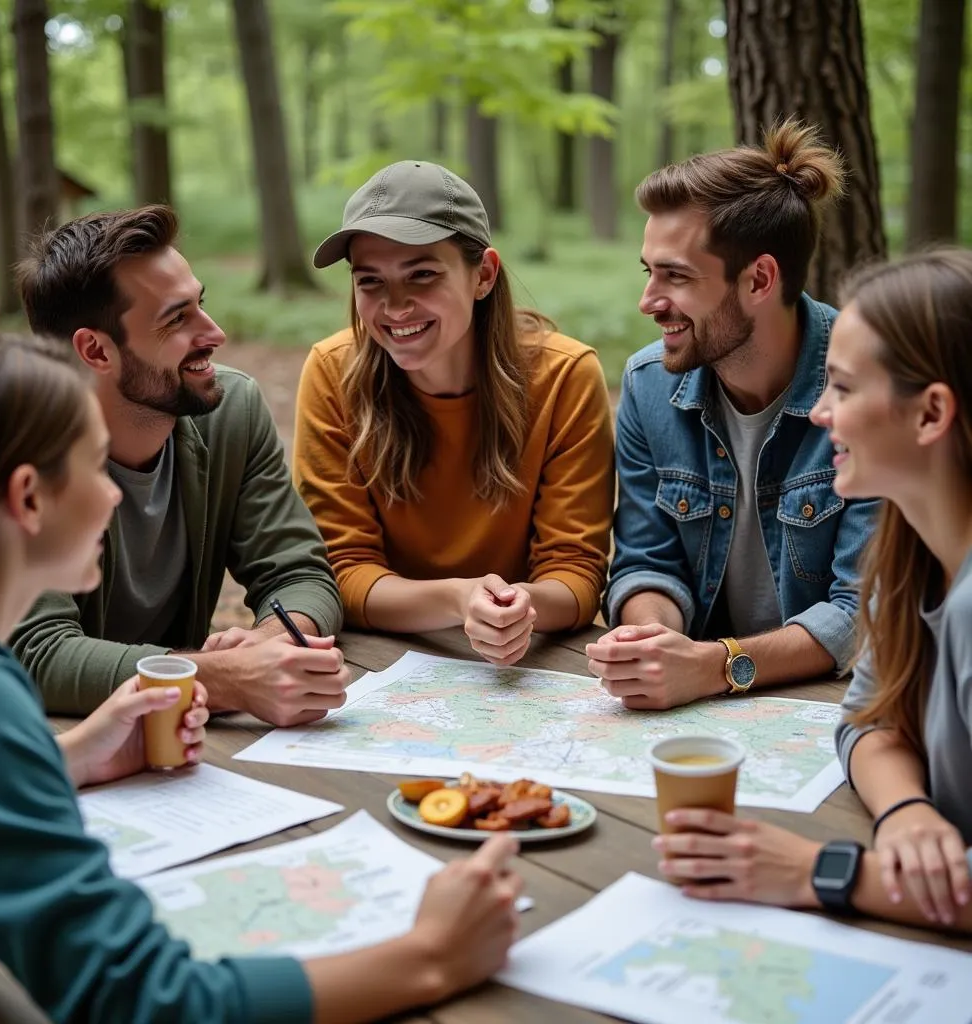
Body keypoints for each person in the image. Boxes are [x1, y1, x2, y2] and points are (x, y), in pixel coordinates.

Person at [0, 331, 525, 1023]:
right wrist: (432, 955)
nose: (114, 496)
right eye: (94, 467)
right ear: (29, 500)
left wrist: (63, 759)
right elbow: (148, 1004)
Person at [649, 250, 972, 934]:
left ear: (931, 413)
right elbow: (868, 721)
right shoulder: (910, 555)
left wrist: (816, 872)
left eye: (845, 390)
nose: (820, 414)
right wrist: (907, 811)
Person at [9, 206, 349, 727]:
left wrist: (264, 644)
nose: (214, 334)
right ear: (96, 350)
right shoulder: (15, 451)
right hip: (52, 745)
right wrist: (225, 676)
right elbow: (37, 654)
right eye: (176, 318)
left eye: (201, 304)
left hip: (175, 737)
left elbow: (299, 573)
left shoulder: (230, 410)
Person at [588, 120, 878, 709]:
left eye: (676, 276)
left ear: (759, 280)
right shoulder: (648, 386)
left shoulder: (869, 392)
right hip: (701, 707)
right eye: (650, 272)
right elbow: (647, 560)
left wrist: (716, 666)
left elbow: (861, 613)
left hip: (835, 705)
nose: (648, 302)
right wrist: (652, 637)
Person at [294, 160, 614, 666]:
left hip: (527, 659)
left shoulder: (565, 377)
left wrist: (520, 607)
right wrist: (457, 599)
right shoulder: (334, 373)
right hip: (381, 657)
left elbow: (575, 574)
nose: (395, 307)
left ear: (483, 274)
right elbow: (342, 570)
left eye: (421, 274)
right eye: (370, 281)